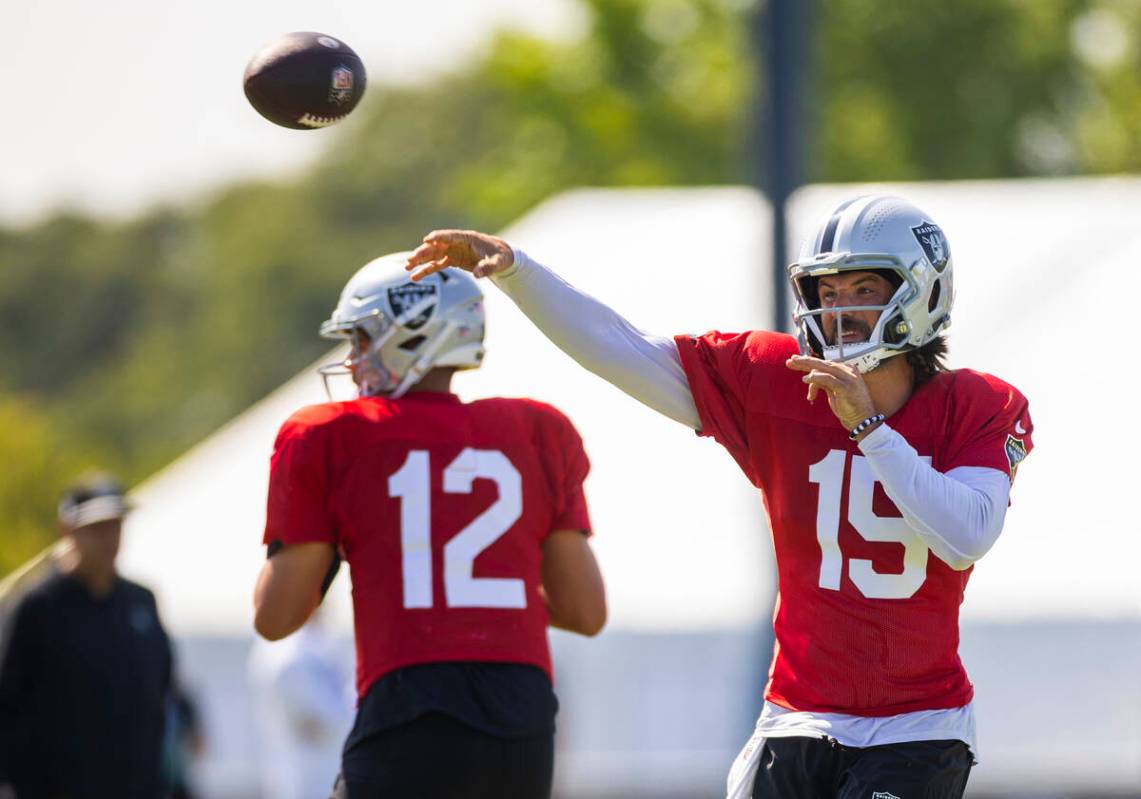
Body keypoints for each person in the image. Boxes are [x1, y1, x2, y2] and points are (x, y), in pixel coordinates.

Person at [405, 194, 1034, 799]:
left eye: (864, 290)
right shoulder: (776, 379)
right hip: (798, 713)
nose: (839, 310)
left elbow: (966, 537)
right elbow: (624, 349)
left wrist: (868, 428)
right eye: (828, 291)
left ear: (920, 292)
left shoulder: (977, 405)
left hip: (918, 723)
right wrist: (518, 272)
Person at [253, 253, 607, 799]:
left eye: (362, 339)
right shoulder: (539, 429)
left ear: (411, 330)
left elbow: (277, 617)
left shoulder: (330, 437)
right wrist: (479, 593)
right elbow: (585, 611)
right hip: (522, 718)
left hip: (410, 706)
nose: (352, 359)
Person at [0, 473, 173, 799]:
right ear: (68, 530)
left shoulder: (141, 602)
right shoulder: (37, 606)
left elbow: (162, 689)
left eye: (115, 525)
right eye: (96, 528)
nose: (108, 538)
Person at [248, 611, 354, 799]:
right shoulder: (290, 656)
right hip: (306, 785)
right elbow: (334, 720)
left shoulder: (317, 646)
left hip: (310, 782)